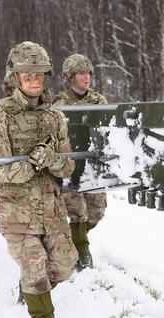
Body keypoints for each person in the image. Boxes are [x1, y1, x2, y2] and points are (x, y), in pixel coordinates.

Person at [0, 41, 78, 318]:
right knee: (36, 268)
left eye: (40, 75)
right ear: (16, 78)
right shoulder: (1, 118)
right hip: (18, 213)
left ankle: (31, 287)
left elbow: (67, 168)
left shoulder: (55, 117)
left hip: (51, 209)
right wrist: (35, 164)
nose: (35, 81)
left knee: (64, 266)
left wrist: (53, 160)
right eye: (28, 76)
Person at [53, 53, 108, 271]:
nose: (86, 77)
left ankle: (72, 238)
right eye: (81, 73)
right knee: (76, 212)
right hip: (70, 165)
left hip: (93, 164)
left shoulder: (98, 100)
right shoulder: (60, 103)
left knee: (96, 212)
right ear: (70, 77)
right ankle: (82, 252)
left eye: (88, 73)